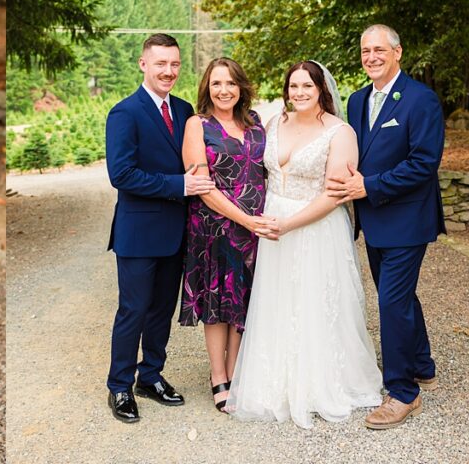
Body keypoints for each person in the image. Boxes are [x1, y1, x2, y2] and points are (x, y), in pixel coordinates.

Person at [227, 60, 382, 428]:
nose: (299, 93)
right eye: (293, 86)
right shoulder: (274, 123)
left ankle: (320, 382)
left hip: (314, 227)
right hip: (274, 223)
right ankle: (274, 380)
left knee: (315, 303)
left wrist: (288, 224)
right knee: (278, 301)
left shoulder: (340, 133)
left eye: (307, 87)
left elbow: (334, 196)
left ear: (321, 90)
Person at [327, 25, 445, 430]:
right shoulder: (358, 100)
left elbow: (424, 163)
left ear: (398, 52)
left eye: (379, 49)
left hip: (409, 218)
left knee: (391, 302)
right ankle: (422, 363)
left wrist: (368, 186)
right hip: (373, 220)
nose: (371, 56)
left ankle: (402, 391)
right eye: (365, 50)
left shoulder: (421, 99)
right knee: (399, 296)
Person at [104, 34, 215, 424]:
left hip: (176, 230)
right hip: (138, 233)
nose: (168, 71)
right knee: (132, 310)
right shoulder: (125, 113)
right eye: (160, 64)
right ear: (143, 64)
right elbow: (121, 174)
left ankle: (149, 376)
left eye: (174, 64)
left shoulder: (185, 110)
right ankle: (119, 385)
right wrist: (178, 185)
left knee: (161, 310)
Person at [178, 57, 275, 412]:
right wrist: (245, 221)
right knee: (218, 304)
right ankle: (218, 376)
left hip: (255, 228)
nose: (224, 90)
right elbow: (203, 187)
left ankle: (237, 370)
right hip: (215, 227)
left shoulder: (256, 124)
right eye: (217, 83)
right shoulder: (197, 125)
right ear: (207, 88)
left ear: (241, 88)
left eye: (231, 83)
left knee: (244, 302)